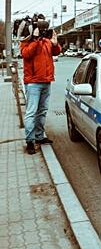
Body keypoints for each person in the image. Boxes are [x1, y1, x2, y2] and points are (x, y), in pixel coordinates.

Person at [20, 17, 61, 154]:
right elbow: (26, 54)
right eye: (41, 29)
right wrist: (36, 40)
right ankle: (30, 141)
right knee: (31, 112)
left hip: (46, 81)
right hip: (33, 82)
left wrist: (55, 43)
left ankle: (39, 136)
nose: (43, 32)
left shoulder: (46, 41)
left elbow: (56, 52)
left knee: (42, 111)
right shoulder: (26, 42)